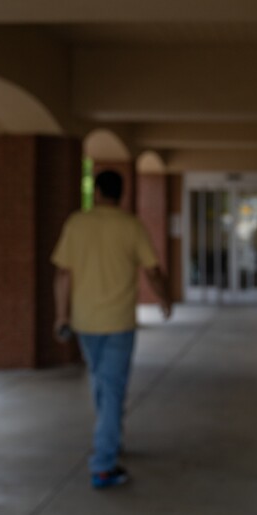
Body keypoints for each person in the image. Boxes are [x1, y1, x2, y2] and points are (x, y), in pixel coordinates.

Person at [52, 170, 171, 489]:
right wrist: (164, 298)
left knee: (102, 383)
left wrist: (61, 316)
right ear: (121, 193)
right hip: (118, 322)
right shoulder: (130, 226)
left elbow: (63, 273)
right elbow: (152, 269)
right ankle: (103, 465)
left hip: (85, 322)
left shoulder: (77, 223)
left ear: (97, 191)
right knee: (112, 388)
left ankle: (110, 439)